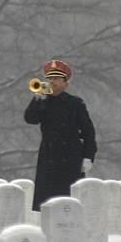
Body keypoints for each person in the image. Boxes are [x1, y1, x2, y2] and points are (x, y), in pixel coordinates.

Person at [24, 59, 97, 211]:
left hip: (70, 157)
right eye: (49, 78)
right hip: (49, 156)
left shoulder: (75, 103)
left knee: (69, 199)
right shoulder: (43, 103)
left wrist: (88, 156)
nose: (52, 82)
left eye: (56, 79)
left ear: (65, 84)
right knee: (47, 200)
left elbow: (88, 131)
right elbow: (30, 119)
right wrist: (37, 98)